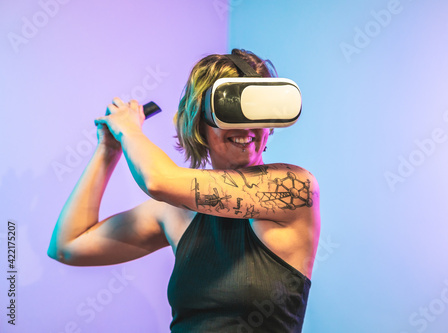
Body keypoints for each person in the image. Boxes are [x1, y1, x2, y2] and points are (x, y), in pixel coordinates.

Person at [48, 49, 321, 332]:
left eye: (256, 109)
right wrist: (108, 148)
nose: (246, 125)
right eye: (231, 109)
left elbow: (158, 181)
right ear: (199, 123)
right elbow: (68, 246)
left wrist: (129, 131)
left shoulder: (294, 188)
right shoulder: (176, 212)